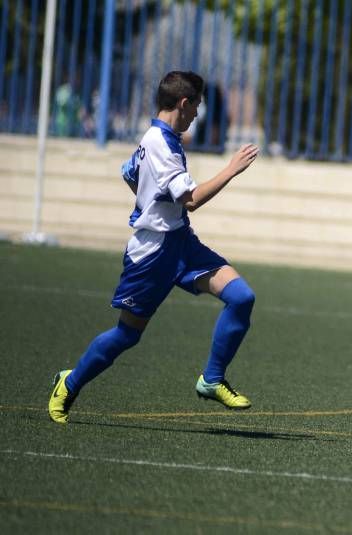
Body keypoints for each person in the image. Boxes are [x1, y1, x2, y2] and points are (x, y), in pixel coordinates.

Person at [48, 71, 260, 424]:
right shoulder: (162, 144)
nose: (197, 115)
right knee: (127, 335)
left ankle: (211, 379)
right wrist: (232, 169)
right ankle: (69, 383)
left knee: (241, 297)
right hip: (153, 255)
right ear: (183, 103)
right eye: (196, 107)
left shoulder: (160, 138)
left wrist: (152, 201)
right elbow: (190, 199)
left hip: (181, 243)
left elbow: (130, 172)